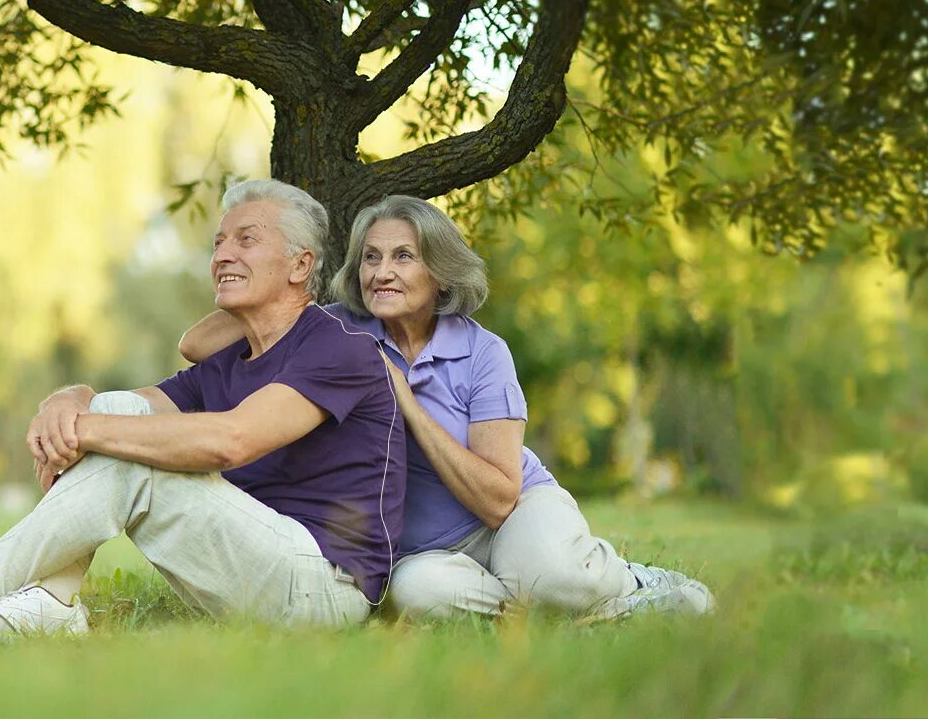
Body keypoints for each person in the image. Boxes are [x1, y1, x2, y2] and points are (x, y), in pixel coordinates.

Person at [179, 195, 713, 620]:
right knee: (418, 597)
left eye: (402, 256)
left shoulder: (484, 352)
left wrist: (407, 404)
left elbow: (501, 500)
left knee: (552, 574)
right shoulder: (336, 330)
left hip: (511, 516)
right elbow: (197, 347)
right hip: (424, 552)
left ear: (439, 272)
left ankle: (631, 582)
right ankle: (557, 615)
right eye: (371, 257)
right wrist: (277, 298)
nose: (381, 272)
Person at [0, 180, 406, 640]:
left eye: (247, 240)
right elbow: (123, 408)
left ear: (300, 265)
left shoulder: (342, 349)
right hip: (252, 565)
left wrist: (85, 431)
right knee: (119, 414)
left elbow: (231, 441)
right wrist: (66, 401)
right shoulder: (226, 364)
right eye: (218, 243)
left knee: (124, 446)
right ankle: (48, 603)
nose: (222, 255)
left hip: (323, 586)